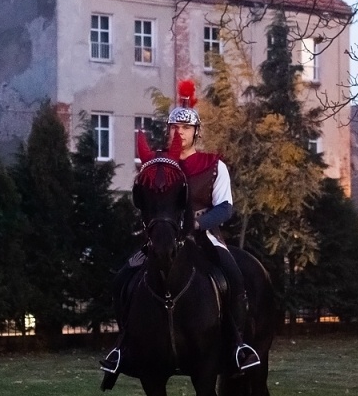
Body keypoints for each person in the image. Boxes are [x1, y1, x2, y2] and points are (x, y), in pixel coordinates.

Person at [101, 94, 261, 380]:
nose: (180, 133)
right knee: (122, 278)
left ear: (196, 132)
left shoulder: (214, 166)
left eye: (185, 128)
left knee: (233, 276)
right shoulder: (159, 165)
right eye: (175, 128)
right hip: (164, 237)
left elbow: (225, 207)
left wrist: (198, 224)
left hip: (204, 236)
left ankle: (238, 345)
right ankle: (123, 347)